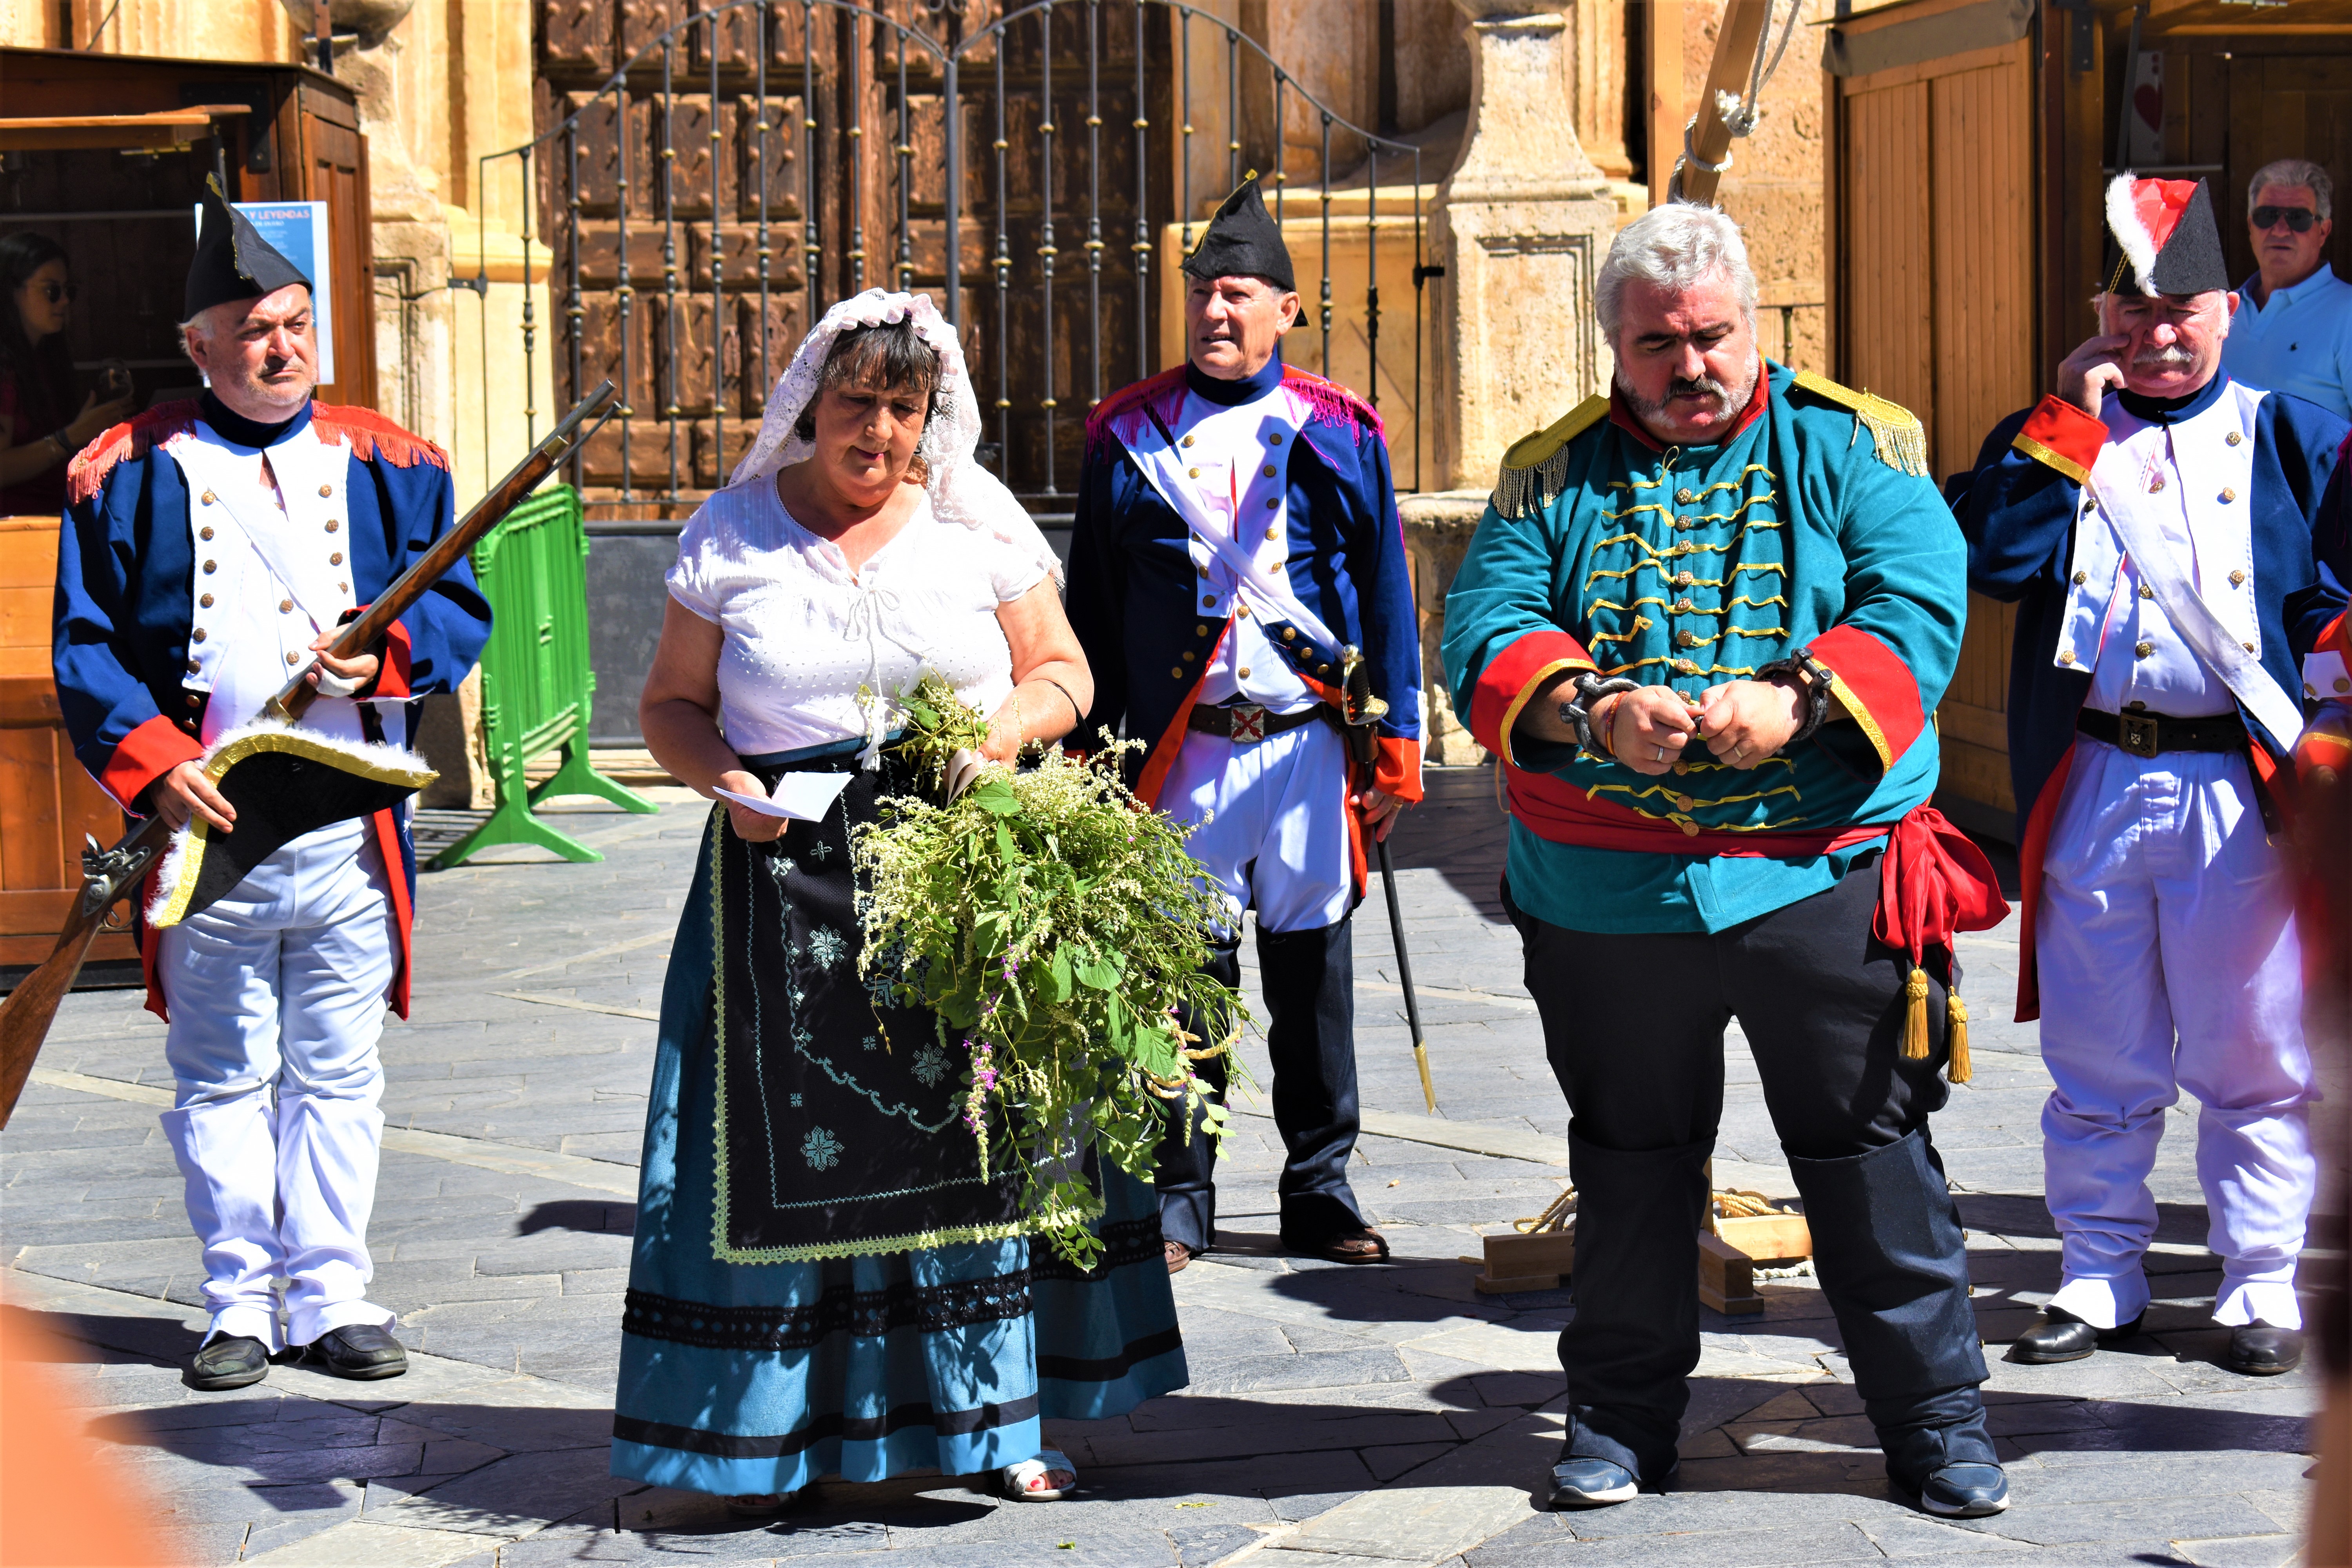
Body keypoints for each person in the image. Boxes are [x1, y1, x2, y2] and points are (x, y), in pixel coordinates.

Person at [1441, 201, 2011, 1519]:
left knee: (1868, 1151)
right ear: (1613, 350)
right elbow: (1489, 616)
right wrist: (1590, 709)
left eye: (1711, 337)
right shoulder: (1549, 473)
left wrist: (1801, 700)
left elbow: (1918, 590)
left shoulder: (1854, 444)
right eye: (1658, 346)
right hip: (1609, 894)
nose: (1690, 366)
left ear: (1756, 326)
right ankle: (1619, 1425)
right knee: (1631, 1159)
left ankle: (1938, 1425)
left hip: (1820, 874)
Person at [613, 288, 1185, 1513]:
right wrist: (724, 780)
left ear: (933, 417)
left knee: (981, 1136)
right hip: (783, 879)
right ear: (809, 405)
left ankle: (1006, 1420)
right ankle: (777, 1430)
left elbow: (1064, 672)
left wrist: (1002, 735)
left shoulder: (979, 529)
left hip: (967, 869)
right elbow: (667, 706)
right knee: (796, 1156)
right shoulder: (730, 535)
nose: (878, 433)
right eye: (857, 405)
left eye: (904, 409)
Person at [52, 182, 490, 1391]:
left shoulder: (397, 465)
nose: (279, 346)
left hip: (351, 833)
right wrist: (156, 767)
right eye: (252, 328)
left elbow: (459, 610)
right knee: (223, 1076)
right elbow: (87, 649)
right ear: (200, 345)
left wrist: (387, 653)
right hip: (211, 832)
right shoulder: (121, 471)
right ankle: (238, 1300)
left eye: (295, 323)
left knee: (341, 1071)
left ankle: (336, 1293)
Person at [1955, 175, 2346, 1378]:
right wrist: (2065, 422)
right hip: (2094, 779)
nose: (2158, 335)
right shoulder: (2051, 436)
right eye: (2133, 313)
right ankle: (2095, 1271)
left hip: (2237, 792)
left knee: (2251, 1052)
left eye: (2181, 309)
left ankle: (2257, 1281)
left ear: (2229, 306)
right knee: (2095, 1052)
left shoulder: (2293, 438)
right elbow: (1997, 560)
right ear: (2099, 316)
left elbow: (2335, 608)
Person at [1065, 177, 1423, 1273]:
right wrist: (1085, 754)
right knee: (1185, 980)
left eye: (1238, 293)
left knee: (1314, 978)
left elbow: (1385, 593)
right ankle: (1180, 1194)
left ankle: (1320, 1187)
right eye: (1202, 294)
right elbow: (1088, 606)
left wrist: (1397, 750)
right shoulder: (1127, 435)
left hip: (1307, 749)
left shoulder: (1344, 432)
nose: (1217, 312)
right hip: (1186, 756)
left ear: (1286, 307)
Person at [0, 231, 133, 516]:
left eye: (68, 291)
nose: (64, 302)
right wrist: (68, 438)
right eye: (52, 291)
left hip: (57, 519)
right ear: (12, 292)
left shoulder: (43, 359)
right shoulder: (6, 368)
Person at [2220, 158, 2351, 421]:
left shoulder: (2348, 313)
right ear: (2250, 226)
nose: (2280, 230)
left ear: (2324, 231)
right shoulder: (2220, 310)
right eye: (2267, 216)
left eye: (2298, 219)